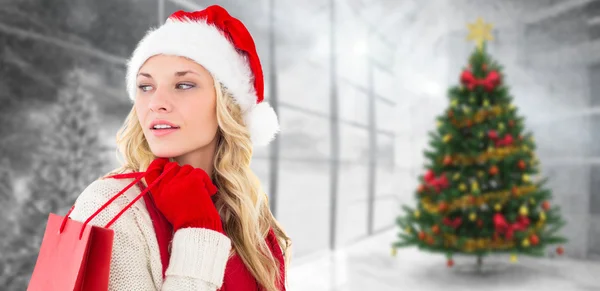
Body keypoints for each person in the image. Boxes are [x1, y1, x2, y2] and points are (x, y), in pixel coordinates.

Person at [68, 5, 291, 291]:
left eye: (184, 85)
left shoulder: (250, 216)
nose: (156, 103)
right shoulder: (110, 208)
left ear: (226, 104)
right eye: (145, 86)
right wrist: (198, 231)